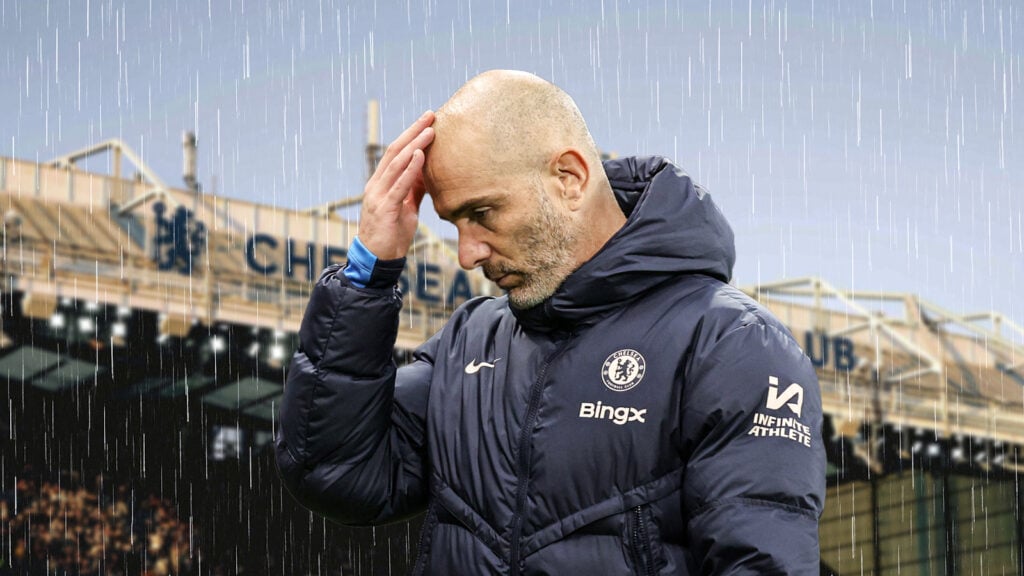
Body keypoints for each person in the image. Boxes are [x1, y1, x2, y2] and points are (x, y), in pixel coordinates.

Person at [276, 70, 826, 575]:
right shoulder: (469, 340)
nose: (467, 253)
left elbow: (760, 563)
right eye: (453, 223)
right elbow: (337, 475)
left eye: (482, 213)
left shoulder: (732, 345)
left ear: (569, 177)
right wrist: (368, 274)